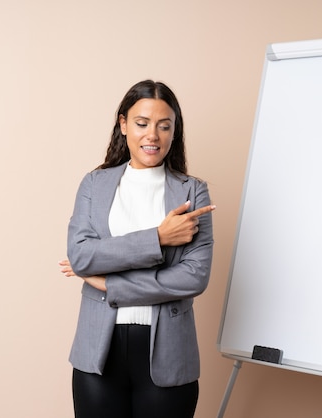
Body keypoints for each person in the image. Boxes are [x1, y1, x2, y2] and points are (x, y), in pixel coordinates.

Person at [59, 79, 216, 418]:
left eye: (164, 126)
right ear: (123, 125)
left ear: (175, 132)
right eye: (142, 124)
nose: (152, 136)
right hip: (97, 353)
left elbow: (193, 278)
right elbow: (82, 256)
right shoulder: (94, 184)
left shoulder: (193, 192)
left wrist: (111, 283)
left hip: (170, 354)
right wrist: (158, 238)